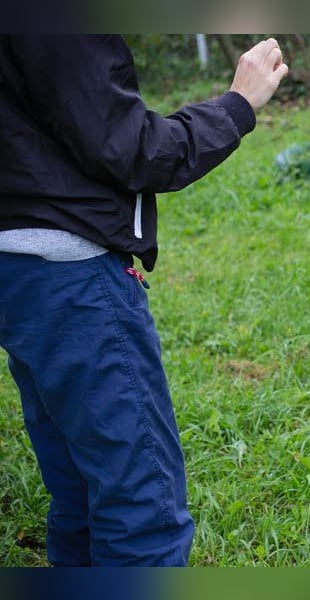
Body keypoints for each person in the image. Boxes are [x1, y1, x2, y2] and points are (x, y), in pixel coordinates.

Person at [0, 35, 288, 566]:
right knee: (139, 510)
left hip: (17, 269)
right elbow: (132, 149)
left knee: (81, 494)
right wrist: (237, 105)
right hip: (72, 277)